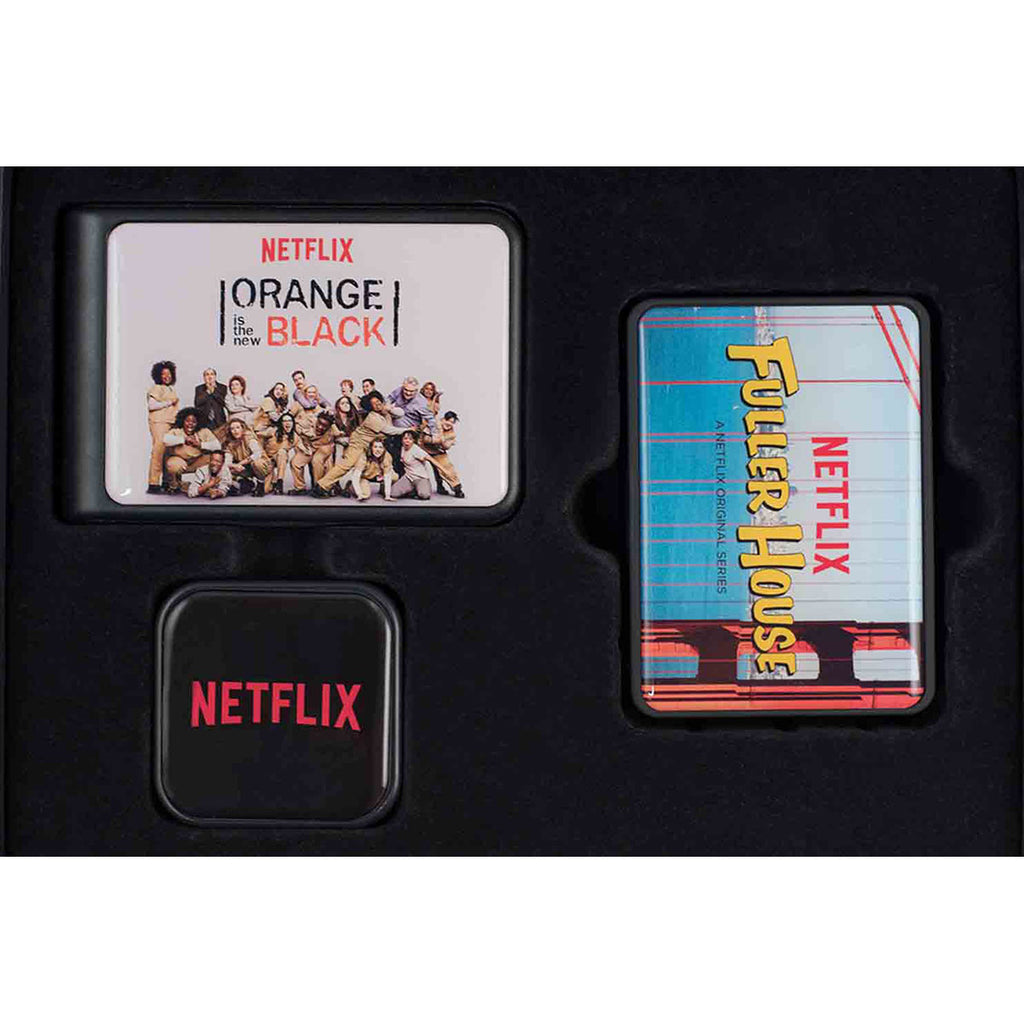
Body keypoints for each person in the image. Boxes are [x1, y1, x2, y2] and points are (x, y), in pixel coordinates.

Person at [312, 391, 406, 497]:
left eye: (378, 401)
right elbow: (389, 430)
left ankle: (350, 485)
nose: (377, 404)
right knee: (346, 465)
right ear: (370, 407)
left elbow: (400, 414)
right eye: (374, 404)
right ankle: (321, 486)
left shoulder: (384, 413)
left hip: (368, 445)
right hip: (358, 443)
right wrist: (408, 430)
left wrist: (389, 409)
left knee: (385, 467)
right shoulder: (372, 417)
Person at [383, 375, 439, 475]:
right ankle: (398, 478)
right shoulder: (399, 390)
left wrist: (434, 434)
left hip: (410, 432)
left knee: (408, 458)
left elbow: (430, 418)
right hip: (395, 430)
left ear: (416, 390)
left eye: (411, 391)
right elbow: (389, 398)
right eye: (406, 390)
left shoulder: (421, 402)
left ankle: (416, 480)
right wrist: (387, 405)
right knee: (391, 454)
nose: (408, 393)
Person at [162, 407, 221, 492]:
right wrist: (184, 439)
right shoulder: (177, 431)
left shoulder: (204, 431)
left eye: (194, 422)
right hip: (181, 461)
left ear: (198, 423)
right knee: (172, 464)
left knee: (214, 459)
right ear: (182, 421)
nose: (190, 424)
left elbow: (217, 446)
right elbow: (165, 440)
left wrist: (200, 444)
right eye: (187, 421)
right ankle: (174, 484)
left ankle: (209, 484)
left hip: (197, 461)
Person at [146, 360, 179, 493]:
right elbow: (151, 406)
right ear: (158, 375)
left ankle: (167, 482)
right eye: (164, 374)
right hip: (159, 422)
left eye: (169, 374)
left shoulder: (171, 389)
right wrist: (169, 402)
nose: (167, 376)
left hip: (171, 423)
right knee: (158, 451)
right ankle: (153, 484)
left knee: (168, 453)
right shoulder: (156, 388)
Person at [224, 417, 273, 497]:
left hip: (262, 467)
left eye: (237, 427)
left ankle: (261, 483)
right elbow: (227, 461)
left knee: (257, 463)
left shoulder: (249, 437)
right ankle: (246, 483)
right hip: (246, 468)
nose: (235, 430)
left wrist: (240, 464)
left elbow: (257, 454)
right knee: (227, 470)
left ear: (242, 428)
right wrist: (235, 466)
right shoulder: (230, 444)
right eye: (232, 429)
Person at [290, 412, 336, 494]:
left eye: (324, 426)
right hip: (309, 447)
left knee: (317, 461)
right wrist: (303, 432)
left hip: (324, 448)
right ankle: (300, 487)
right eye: (319, 423)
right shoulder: (309, 421)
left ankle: (319, 487)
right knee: (295, 462)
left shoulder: (332, 430)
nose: (320, 427)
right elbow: (294, 425)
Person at [340, 436, 397, 501]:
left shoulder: (387, 456)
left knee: (394, 476)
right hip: (364, 476)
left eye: (380, 447)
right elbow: (356, 476)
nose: (378, 450)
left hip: (378, 475)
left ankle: (382, 489)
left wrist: (387, 496)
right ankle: (350, 485)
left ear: (384, 449)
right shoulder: (363, 457)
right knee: (365, 494)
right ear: (371, 448)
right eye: (375, 447)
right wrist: (359, 494)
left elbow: (387, 476)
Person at [391, 430, 443, 500]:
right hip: (409, 477)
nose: (407, 441)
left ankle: (422, 487)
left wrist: (445, 470)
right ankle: (412, 490)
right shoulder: (402, 448)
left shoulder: (416, 450)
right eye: (405, 438)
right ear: (402, 440)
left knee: (424, 495)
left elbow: (431, 460)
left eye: (410, 439)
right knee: (393, 493)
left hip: (420, 478)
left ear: (413, 440)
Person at [423, 410, 465, 498]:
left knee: (446, 467)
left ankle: (457, 488)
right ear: (443, 419)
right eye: (448, 420)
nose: (449, 424)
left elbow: (446, 446)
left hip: (437, 451)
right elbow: (424, 439)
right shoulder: (434, 424)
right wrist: (436, 440)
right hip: (423, 449)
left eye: (452, 422)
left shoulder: (451, 433)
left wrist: (443, 443)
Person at [259, 412, 297, 495]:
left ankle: (280, 482)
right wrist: (263, 455)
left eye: (290, 421)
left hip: (280, 458)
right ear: (281, 423)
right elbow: (258, 436)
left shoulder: (294, 436)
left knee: (282, 452)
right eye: (285, 421)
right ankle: (273, 481)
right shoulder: (272, 431)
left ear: (293, 423)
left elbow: (302, 447)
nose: (287, 423)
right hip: (267, 459)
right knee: (265, 490)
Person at [194, 367, 228, 439]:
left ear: (215, 376)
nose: (209, 377)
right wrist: (208, 391)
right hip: (205, 421)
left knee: (221, 441)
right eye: (207, 374)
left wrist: (213, 390)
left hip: (219, 420)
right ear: (204, 377)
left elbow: (223, 402)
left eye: (212, 374)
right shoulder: (199, 388)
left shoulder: (222, 387)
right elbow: (197, 403)